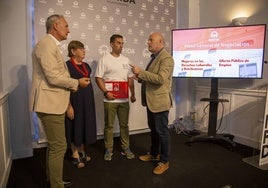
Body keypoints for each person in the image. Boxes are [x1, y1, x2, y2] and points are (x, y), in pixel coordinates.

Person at [30, 14, 90, 188]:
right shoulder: (46, 45)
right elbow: (53, 77)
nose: (68, 29)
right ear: (55, 26)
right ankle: (56, 185)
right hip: (49, 103)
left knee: (55, 145)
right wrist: (76, 83)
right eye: (66, 26)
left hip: (53, 102)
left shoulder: (51, 45)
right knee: (59, 146)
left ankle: (53, 179)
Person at [130, 32, 174, 175]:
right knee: (154, 130)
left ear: (160, 42)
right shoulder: (155, 57)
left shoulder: (166, 58)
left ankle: (165, 161)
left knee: (162, 132)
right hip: (151, 101)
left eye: (151, 40)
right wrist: (140, 78)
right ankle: (155, 154)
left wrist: (141, 72)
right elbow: (153, 79)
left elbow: (160, 79)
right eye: (148, 40)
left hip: (160, 102)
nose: (148, 42)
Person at [95, 34, 136, 161]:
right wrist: (106, 92)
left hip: (124, 99)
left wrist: (133, 94)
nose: (121, 45)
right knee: (109, 125)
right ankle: (109, 148)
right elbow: (98, 78)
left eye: (122, 43)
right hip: (110, 99)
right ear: (111, 44)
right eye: (118, 43)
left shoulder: (126, 60)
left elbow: (130, 79)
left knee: (124, 125)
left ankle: (126, 147)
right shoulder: (104, 59)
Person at [65, 40, 97, 168]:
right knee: (74, 125)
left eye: (84, 48)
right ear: (73, 51)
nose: (84, 50)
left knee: (84, 125)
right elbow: (64, 87)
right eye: (81, 48)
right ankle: (74, 153)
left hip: (87, 102)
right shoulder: (66, 66)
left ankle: (81, 150)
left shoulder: (87, 66)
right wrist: (68, 106)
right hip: (74, 102)